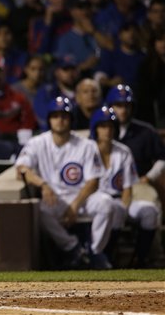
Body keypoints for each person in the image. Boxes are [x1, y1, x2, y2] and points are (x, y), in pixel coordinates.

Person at [15, 97, 115, 269]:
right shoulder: (37, 143)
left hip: (82, 198)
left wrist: (75, 205)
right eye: (55, 116)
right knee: (39, 210)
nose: (60, 120)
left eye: (64, 116)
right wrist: (43, 185)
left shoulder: (86, 145)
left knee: (106, 203)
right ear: (49, 119)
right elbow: (21, 169)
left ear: (71, 119)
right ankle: (74, 248)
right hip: (54, 199)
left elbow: (93, 181)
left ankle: (95, 251)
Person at [89, 107, 159, 268]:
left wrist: (124, 208)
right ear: (95, 128)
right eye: (103, 126)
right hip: (94, 202)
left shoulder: (123, 151)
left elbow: (128, 188)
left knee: (150, 211)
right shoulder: (86, 150)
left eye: (111, 126)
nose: (107, 130)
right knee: (109, 206)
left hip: (120, 200)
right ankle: (104, 257)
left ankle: (140, 261)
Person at [106, 85, 165, 212]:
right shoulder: (101, 130)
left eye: (127, 106)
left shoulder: (146, 131)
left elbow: (162, 158)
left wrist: (149, 177)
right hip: (106, 185)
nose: (123, 110)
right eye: (118, 106)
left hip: (138, 183)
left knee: (150, 210)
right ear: (110, 107)